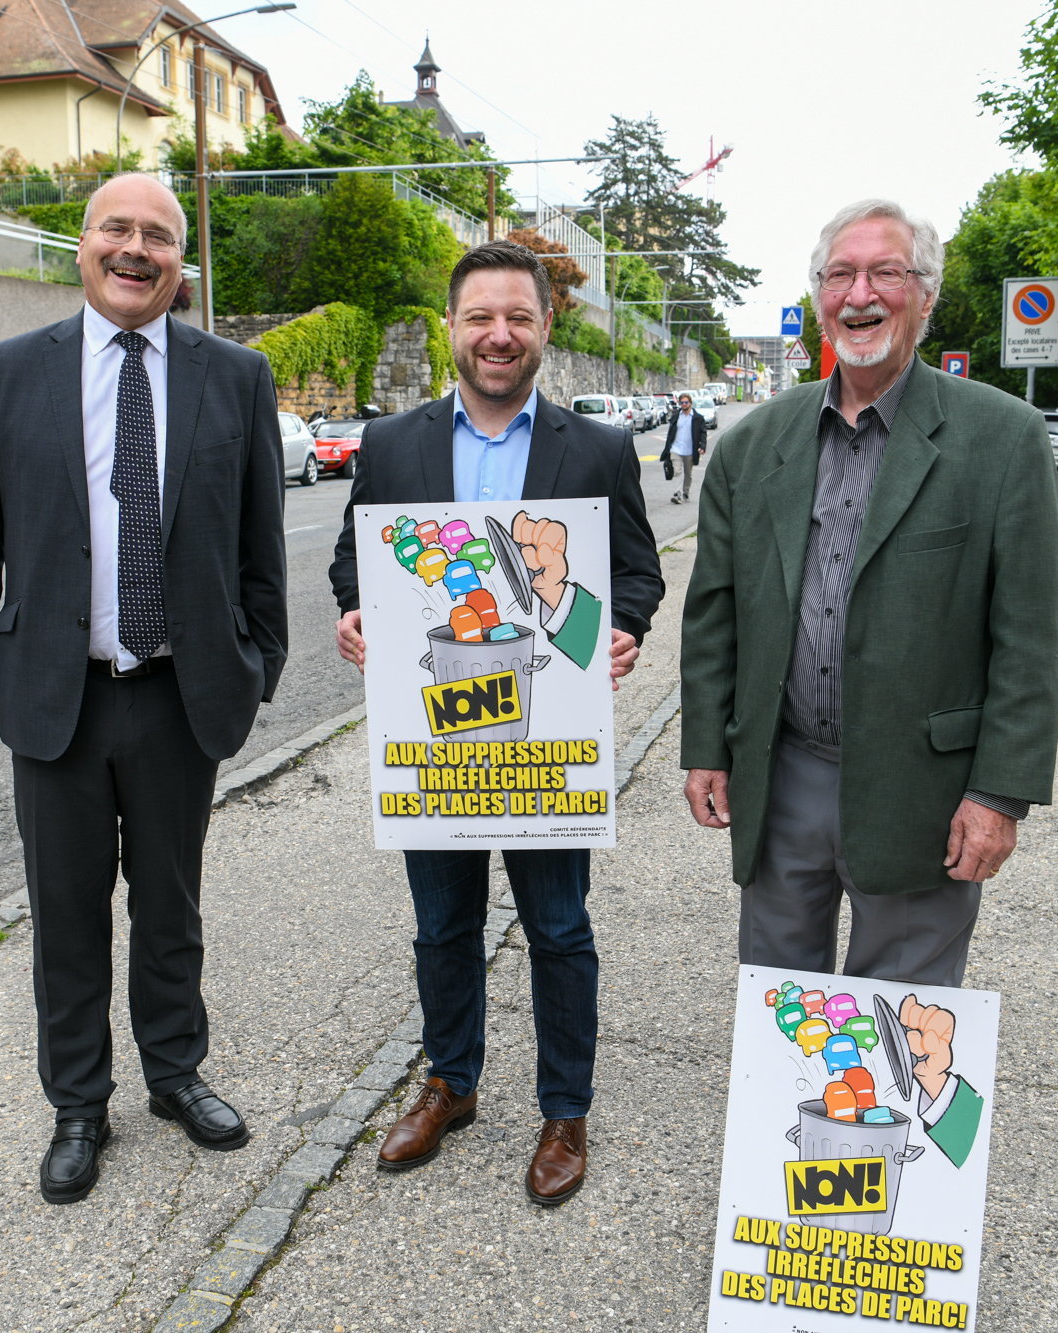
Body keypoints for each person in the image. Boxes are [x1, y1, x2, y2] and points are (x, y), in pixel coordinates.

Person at [0, 173, 289, 1205]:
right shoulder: (11, 371)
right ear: (81, 246)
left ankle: (174, 1074)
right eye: (116, 230)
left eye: (157, 237)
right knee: (67, 913)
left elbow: (260, 541)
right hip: (58, 694)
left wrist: (255, 662)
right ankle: (78, 1104)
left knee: (170, 908)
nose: (135, 249)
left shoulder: (236, 375)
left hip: (179, 694)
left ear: (181, 263)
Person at [329, 240, 664, 1206]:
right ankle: (450, 1083)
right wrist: (355, 610)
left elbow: (634, 571)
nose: (499, 335)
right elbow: (358, 563)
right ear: (452, 328)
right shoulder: (394, 445)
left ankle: (565, 1109)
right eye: (480, 317)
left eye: (518, 317)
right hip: (433, 734)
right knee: (443, 925)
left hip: (546, 738)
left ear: (545, 328)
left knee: (559, 928)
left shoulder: (596, 450)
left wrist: (625, 629)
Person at [679, 198, 1058, 988]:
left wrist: (1000, 793)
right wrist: (707, 749)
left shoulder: (1001, 437)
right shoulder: (753, 444)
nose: (861, 294)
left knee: (902, 1014)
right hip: (784, 775)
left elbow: (1028, 637)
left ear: (926, 294)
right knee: (780, 1005)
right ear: (818, 297)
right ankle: (792, 1120)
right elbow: (715, 613)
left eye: (886, 272)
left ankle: (880, 1121)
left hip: (925, 789)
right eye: (840, 275)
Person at [660, 392, 708, 503]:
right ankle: (678, 494)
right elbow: (670, 432)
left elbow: (703, 433)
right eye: (682, 402)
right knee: (678, 471)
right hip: (676, 449)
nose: (684, 404)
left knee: (688, 474)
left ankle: (685, 491)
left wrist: (702, 446)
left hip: (690, 450)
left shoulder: (697, 418)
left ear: (690, 403)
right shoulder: (676, 416)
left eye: (686, 402)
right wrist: (668, 447)